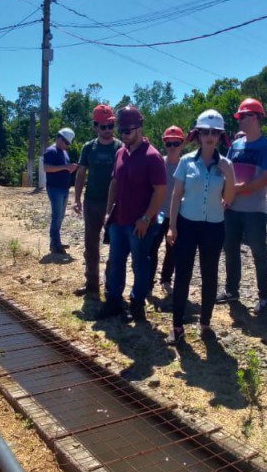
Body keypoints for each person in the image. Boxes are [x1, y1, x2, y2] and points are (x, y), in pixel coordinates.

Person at [165, 110, 236, 345]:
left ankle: (205, 322)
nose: (210, 136)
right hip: (186, 223)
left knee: (210, 274)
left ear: (220, 136)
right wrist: (172, 226)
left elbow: (229, 197)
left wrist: (229, 177)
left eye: (214, 132)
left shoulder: (226, 164)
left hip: (213, 226)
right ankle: (177, 326)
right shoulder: (186, 161)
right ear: (197, 134)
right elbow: (176, 196)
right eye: (205, 131)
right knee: (183, 274)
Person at [100, 106, 167, 322]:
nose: (124, 134)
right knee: (116, 262)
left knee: (140, 264)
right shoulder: (121, 152)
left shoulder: (153, 156)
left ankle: (137, 304)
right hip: (118, 221)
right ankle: (113, 302)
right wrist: (108, 212)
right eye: (122, 130)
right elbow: (114, 183)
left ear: (139, 128)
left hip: (140, 223)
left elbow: (160, 191)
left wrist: (146, 218)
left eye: (128, 130)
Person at [216, 98, 267, 313]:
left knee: (259, 253)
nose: (240, 120)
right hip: (232, 208)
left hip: (255, 211)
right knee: (230, 249)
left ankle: (264, 297)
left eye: (243, 116)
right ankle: (231, 290)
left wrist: (241, 188)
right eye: (239, 117)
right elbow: (226, 172)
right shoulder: (235, 145)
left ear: (255, 118)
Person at [73, 105, 120, 298]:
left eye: (111, 125)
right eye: (103, 127)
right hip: (92, 202)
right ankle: (92, 284)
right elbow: (81, 174)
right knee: (91, 245)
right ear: (95, 127)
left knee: (115, 246)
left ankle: (111, 285)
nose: (108, 130)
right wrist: (76, 199)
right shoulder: (88, 147)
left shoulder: (120, 147)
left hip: (115, 205)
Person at [150, 126, 184, 295]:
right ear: (164, 144)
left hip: (176, 215)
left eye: (176, 143)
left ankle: (166, 279)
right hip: (160, 214)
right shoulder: (158, 162)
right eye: (169, 143)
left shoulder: (185, 165)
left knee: (172, 249)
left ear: (181, 144)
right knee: (152, 246)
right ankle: (148, 281)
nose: (172, 147)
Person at [42, 127, 78, 255]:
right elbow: (46, 168)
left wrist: (70, 168)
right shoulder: (51, 151)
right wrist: (66, 167)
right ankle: (54, 244)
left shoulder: (63, 152)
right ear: (59, 138)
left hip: (63, 189)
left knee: (60, 216)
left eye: (68, 144)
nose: (67, 146)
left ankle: (57, 242)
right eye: (66, 143)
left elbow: (63, 168)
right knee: (56, 216)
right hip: (55, 188)